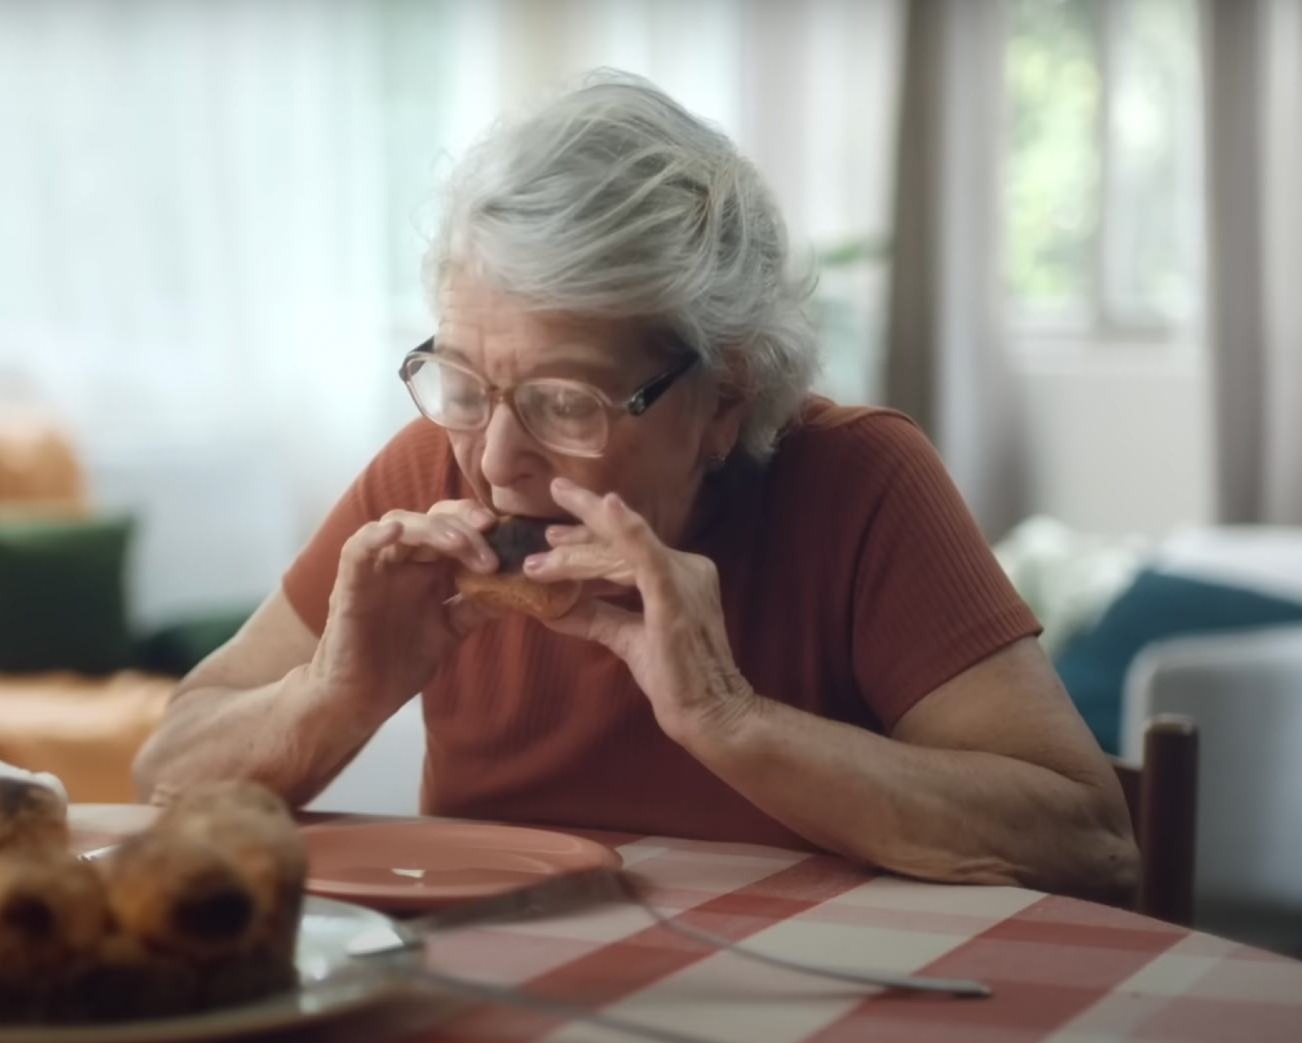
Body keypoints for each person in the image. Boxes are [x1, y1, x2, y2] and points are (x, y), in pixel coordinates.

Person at [135, 73, 1137, 901]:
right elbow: (169, 769)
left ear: (722, 402)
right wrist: (335, 692)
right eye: (463, 384)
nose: (494, 463)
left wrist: (730, 718)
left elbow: (1089, 844)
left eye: (565, 403)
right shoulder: (429, 469)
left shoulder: (860, 483)